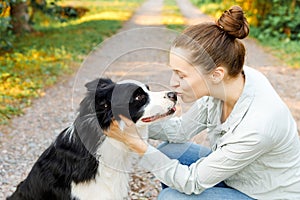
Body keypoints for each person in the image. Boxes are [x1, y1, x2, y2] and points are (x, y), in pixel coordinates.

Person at [104, 5, 300, 200]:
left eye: (181, 75)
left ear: (216, 74)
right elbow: (180, 131)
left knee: (171, 198)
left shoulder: (259, 125)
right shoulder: (229, 80)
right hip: (237, 177)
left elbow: (192, 182)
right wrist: (127, 119)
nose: (173, 82)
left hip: (264, 195)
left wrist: (137, 144)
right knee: (170, 151)